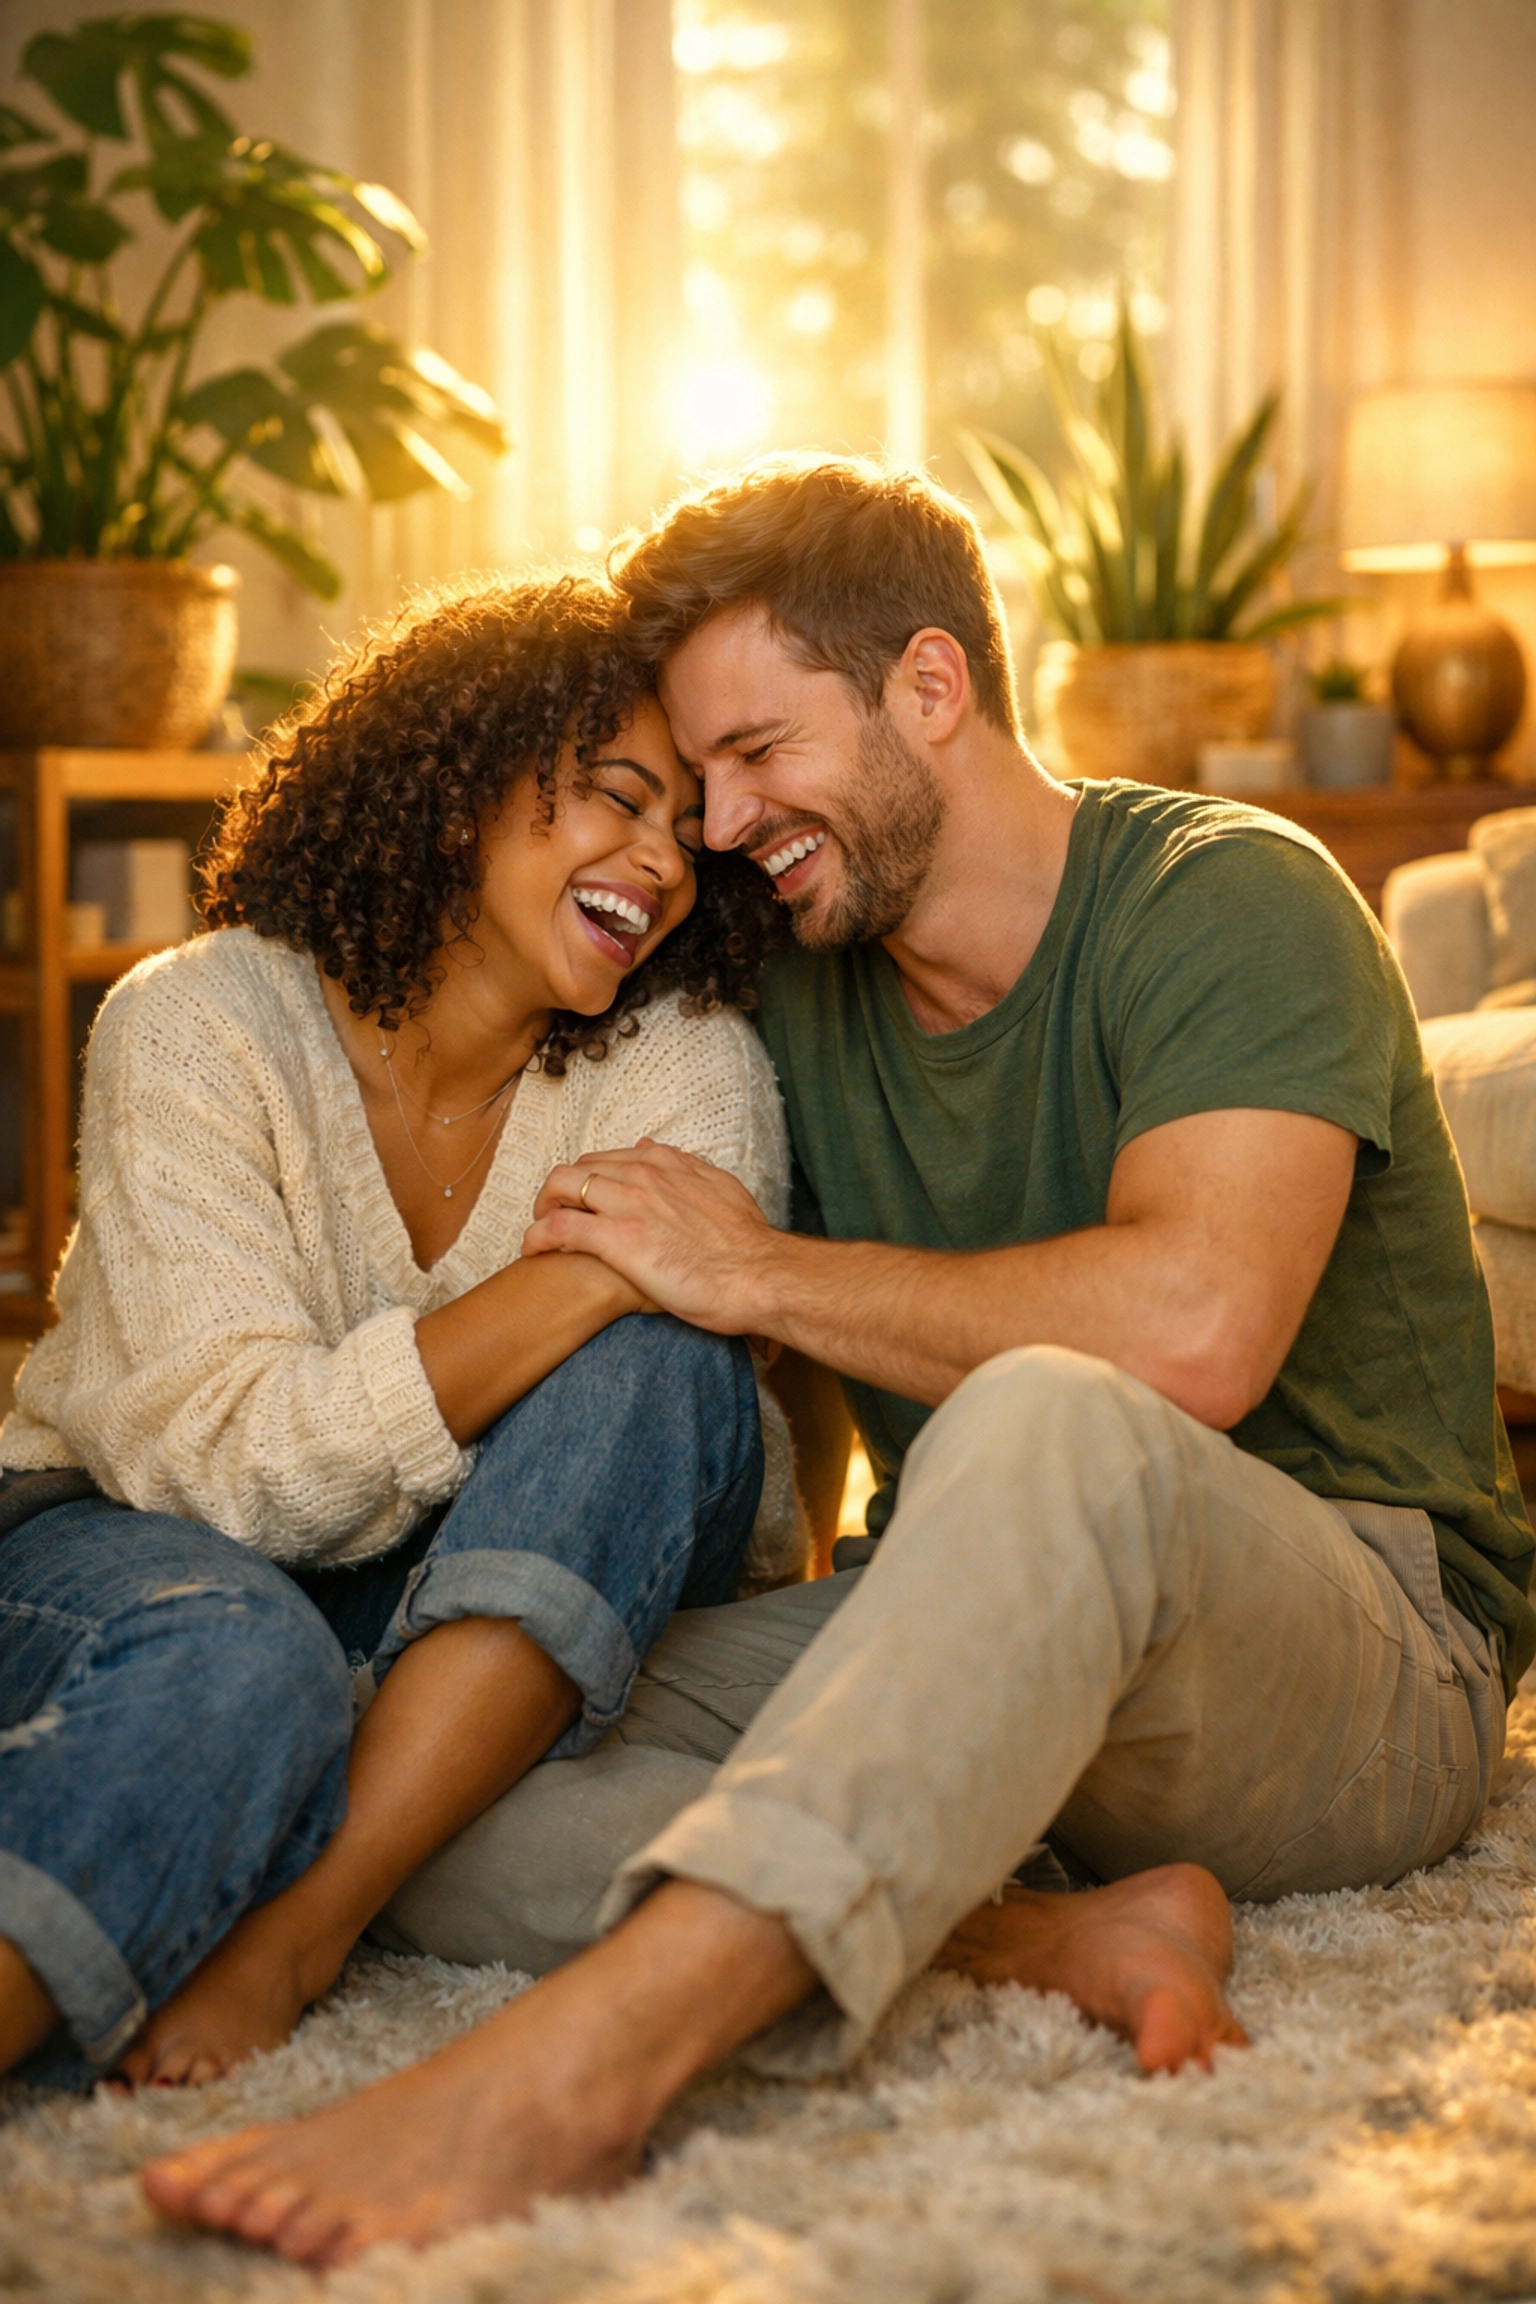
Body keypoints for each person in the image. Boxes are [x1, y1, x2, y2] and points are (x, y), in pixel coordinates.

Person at [144, 458, 1534, 2269]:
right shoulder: (800, 985)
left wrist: (764, 1271)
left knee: (1049, 1416)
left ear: (932, 690)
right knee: (454, 1761)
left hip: (1357, 1645)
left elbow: (1196, 1332)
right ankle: (1048, 1936)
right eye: (696, 776)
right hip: (988, 1608)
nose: (719, 825)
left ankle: (585, 2070)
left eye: (756, 755)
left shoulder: (1228, 896)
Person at [0, 572, 798, 2094]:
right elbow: (233, 1465)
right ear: (456, 780)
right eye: (621, 799)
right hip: (135, 1542)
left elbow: (671, 1417)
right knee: (249, 1657)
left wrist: (646, 1297)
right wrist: (594, 1273)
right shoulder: (201, 1022)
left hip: (492, 1596)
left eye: (686, 838)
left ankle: (307, 1911)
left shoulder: (686, 1068)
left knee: (666, 1363)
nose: (663, 864)